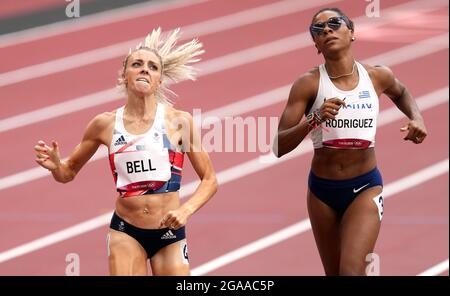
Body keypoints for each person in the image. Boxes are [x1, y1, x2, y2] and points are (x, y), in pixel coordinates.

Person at [34, 28, 218, 276]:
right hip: (126, 230)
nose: (144, 69)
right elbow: (68, 173)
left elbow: (210, 179)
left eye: (153, 67)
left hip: (169, 234)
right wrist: (57, 166)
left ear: (159, 81)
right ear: (124, 76)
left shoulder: (179, 122)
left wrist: (186, 209)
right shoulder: (104, 124)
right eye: (137, 64)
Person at [274, 8, 427, 275]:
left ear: (352, 32)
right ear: (316, 44)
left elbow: (401, 92)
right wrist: (314, 119)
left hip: (364, 187)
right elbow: (278, 146)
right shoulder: (308, 85)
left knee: (352, 271)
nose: (327, 30)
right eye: (318, 29)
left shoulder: (377, 76)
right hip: (322, 192)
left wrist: (417, 118)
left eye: (334, 23)